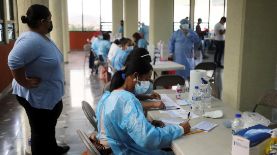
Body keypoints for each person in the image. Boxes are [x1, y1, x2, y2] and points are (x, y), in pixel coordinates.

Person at [96, 51, 191, 154]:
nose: (146, 85)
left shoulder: (113, 94)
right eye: (145, 80)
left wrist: (148, 124)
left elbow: (128, 126)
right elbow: (147, 138)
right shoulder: (127, 100)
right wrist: (180, 129)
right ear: (135, 76)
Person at [7, 4, 69, 155]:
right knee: (39, 132)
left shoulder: (39, 37)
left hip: (46, 95)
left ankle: (52, 148)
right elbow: (13, 61)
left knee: (47, 127)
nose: (51, 22)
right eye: (49, 19)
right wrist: (24, 82)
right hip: (36, 96)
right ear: (42, 21)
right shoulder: (31, 40)